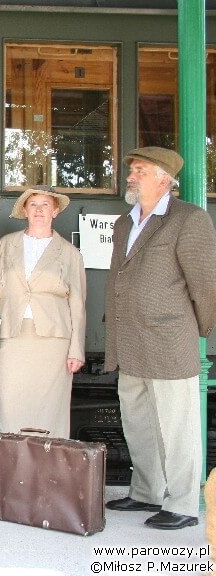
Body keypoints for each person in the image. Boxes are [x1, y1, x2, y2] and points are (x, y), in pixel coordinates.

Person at [104, 146, 216, 530]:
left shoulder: (189, 219)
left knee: (177, 427)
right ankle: (146, 492)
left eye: (140, 170)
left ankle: (183, 504)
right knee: (138, 423)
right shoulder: (125, 223)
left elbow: (206, 286)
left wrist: (192, 329)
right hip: (128, 340)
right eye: (132, 170)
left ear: (164, 179)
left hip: (169, 341)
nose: (131, 177)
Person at [0, 185, 86, 439]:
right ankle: (13, 461)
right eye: (33, 204)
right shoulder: (4, 246)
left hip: (54, 341)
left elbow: (78, 303)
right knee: (10, 405)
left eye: (45, 204)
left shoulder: (70, 254)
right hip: (11, 336)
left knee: (51, 408)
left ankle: (49, 461)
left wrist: (76, 349)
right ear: (25, 210)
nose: (39, 210)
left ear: (55, 211)